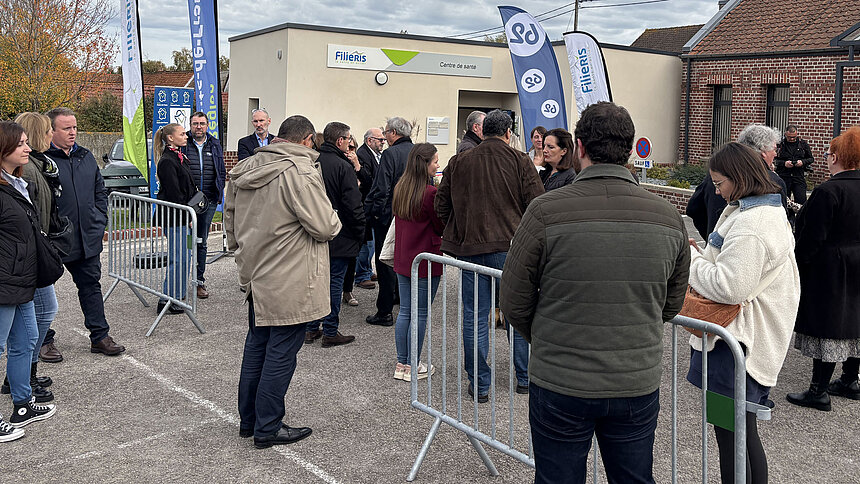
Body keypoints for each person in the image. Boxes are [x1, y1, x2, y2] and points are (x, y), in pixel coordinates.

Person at [500, 102, 689, 483]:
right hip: (633, 380)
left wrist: (549, 338)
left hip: (561, 379)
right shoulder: (668, 216)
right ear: (632, 149)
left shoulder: (545, 211)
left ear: (579, 147)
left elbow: (513, 300)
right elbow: (671, 302)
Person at [225, 115, 341, 448]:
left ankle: (250, 420)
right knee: (280, 353)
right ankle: (268, 425)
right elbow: (325, 226)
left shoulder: (245, 167)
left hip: (257, 273)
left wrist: (243, 254)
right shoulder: (298, 171)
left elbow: (230, 224)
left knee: (257, 347)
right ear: (306, 140)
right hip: (290, 276)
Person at [687, 142, 799, 484]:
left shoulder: (752, 223)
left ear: (739, 178)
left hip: (735, 348)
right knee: (738, 434)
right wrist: (704, 257)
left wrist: (689, 262)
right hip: (736, 344)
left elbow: (729, 285)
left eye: (719, 183)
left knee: (732, 437)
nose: (717, 192)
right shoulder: (753, 210)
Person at [435, 109, 544, 402]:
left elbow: (441, 203)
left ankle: (480, 385)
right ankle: (525, 378)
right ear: (508, 133)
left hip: (471, 249)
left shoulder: (459, 161)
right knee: (517, 315)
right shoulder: (520, 160)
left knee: (474, 316)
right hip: (510, 249)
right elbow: (537, 206)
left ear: (483, 132)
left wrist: (459, 229)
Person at [787, 126, 860, 411]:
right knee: (855, 320)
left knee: (829, 323)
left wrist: (799, 263)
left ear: (837, 157)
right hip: (856, 261)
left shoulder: (829, 191)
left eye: (829, 153)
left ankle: (818, 390)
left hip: (831, 265)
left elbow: (812, 237)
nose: (827, 157)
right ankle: (850, 380)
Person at [45, 107, 125, 356]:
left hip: (86, 237)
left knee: (91, 286)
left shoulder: (85, 156)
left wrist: (99, 219)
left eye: (75, 127)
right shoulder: (42, 161)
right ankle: (44, 340)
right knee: (43, 291)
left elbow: (99, 191)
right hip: (55, 240)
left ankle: (99, 336)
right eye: (66, 128)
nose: (72, 132)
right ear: (52, 131)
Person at [0, 121, 57, 441]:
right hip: (5, 280)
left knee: (26, 339)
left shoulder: (18, 182)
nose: (27, 148)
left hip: (23, 278)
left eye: (26, 142)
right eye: (20, 144)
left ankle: (22, 403)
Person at [304, 122, 363, 347]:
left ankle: (311, 329)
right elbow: (352, 204)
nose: (350, 143)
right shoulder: (342, 166)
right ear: (340, 141)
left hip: (314, 232)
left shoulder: (312, 162)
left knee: (315, 281)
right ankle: (329, 330)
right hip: (340, 233)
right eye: (348, 139)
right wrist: (360, 230)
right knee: (334, 283)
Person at [392, 143, 444, 382]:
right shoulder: (429, 193)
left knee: (405, 312)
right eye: (434, 161)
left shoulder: (401, 188)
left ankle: (402, 362)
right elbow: (440, 224)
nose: (438, 165)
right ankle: (413, 364)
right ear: (424, 164)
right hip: (425, 260)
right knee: (420, 313)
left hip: (404, 258)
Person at [687, 123, 789, 240]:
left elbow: (694, 209)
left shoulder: (717, 174)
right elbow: (781, 226)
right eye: (774, 149)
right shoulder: (771, 181)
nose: (776, 154)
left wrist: (711, 235)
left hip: (716, 249)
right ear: (763, 151)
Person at [365, 117, 414, 327]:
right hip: (412, 215)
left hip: (390, 215)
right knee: (405, 259)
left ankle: (384, 311)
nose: (385, 136)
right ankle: (399, 296)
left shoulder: (390, 154)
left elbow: (382, 186)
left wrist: (376, 214)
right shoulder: (418, 152)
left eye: (386, 132)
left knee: (385, 261)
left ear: (394, 132)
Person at [152, 123, 197, 315]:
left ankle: (177, 296)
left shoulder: (180, 157)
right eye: (182, 133)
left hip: (183, 216)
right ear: (170, 138)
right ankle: (167, 299)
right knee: (178, 258)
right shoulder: (167, 161)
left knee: (184, 257)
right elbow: (174, 194)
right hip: (175, 218)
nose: (186, 136)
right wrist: (187, 214)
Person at [180, 111, 226, 300]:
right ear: (190, 125)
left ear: (207, 125)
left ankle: (199, 281)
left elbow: (221, 170)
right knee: (185, 241)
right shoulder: (183, 144)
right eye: (195, 123)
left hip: (208, 200)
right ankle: (182, 282)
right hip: (187, 201)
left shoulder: (214, 144)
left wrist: (219, 190)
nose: (198, 127)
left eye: (202, 123)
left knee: (202, 241)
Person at [354, 128, 385, 290]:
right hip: (365, 204)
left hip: (372, 205)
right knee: (367, 243)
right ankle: (362, 275)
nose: (382, 142)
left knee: (370, 242)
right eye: (380, 139)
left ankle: (366, 270)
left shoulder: (375, 155)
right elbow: (368, 180)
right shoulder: (363, 155)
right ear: (369, 140)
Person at [342, 134, 362, 307]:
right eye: (348, 148)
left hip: (355, 214)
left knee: (351, 258)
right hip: (342, 214)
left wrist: (356, 164)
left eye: (353, 148)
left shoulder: (356, 163)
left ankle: (347, 291)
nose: (350, 152)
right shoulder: (338, 164)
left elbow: (370, 181)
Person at [774, 125, 813, 206]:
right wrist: (784, 163)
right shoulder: (780, 145)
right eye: (789, 137)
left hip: (798, 176)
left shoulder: (803, 144)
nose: (791, 139)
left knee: (801, 201)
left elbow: (810, 159)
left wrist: (802, 162)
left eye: (794, 137)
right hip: (784, 176)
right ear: (785, 134)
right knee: (784, 201)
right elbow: (774, 160)